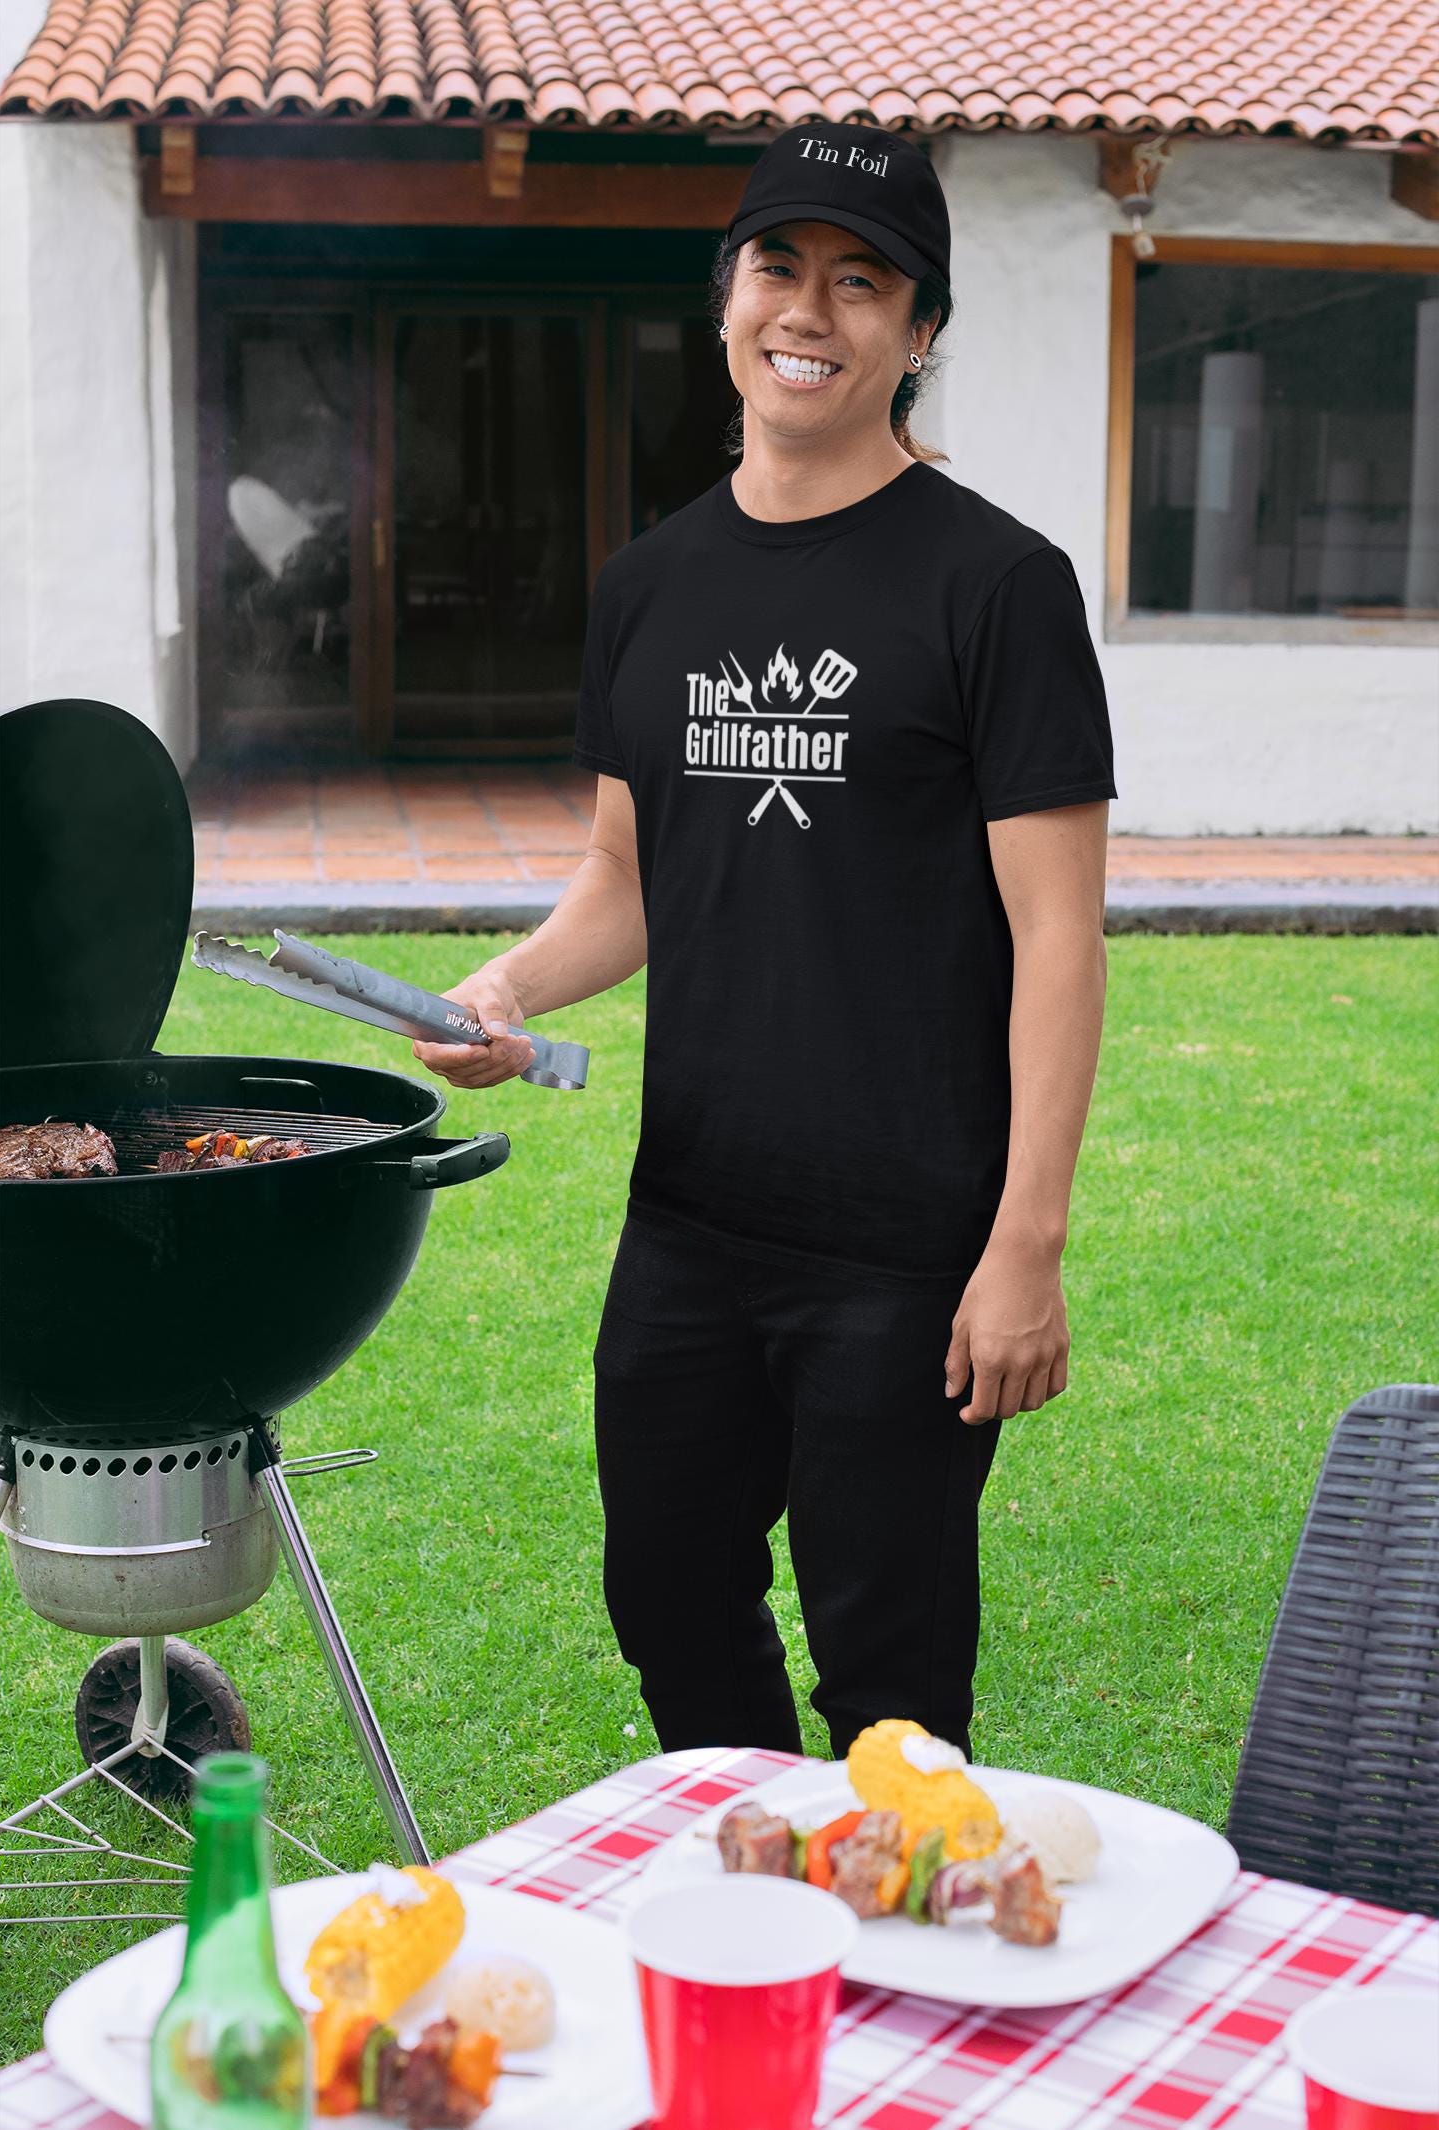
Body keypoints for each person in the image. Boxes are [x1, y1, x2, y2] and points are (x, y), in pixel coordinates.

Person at [414, 122, 1117, 1762]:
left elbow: (1061, 939)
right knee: (665, 1598)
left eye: (863, 279)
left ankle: (885, 1981)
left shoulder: (998, 585)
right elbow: (625, 877)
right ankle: (764, 1919)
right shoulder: (651, 585)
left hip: (907, 1242)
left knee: (891, 1671)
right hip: (694, 1223)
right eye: (780, 264)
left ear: (919, 329)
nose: (813, 308)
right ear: (727, 297)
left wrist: (1027, 1243)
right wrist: (509, 985)